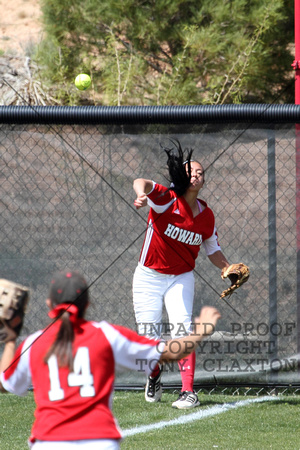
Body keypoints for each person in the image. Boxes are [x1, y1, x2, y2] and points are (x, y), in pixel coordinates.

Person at [0, 269, 221, 449]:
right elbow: (171, 352)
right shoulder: (107, 335)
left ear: (49, 304)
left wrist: (11, 337)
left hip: (48, 442)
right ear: (87, 305)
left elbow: (4, 383)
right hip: (99, 441)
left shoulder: (34, 342)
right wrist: (201, 330)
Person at [133, 138, 231, 409]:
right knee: (148, 337)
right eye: (192, 171)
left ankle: (188, 391)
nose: (197, 175)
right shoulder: (166, 200)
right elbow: (142, 181)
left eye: (201, 172)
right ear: (181, 175)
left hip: (181, 277)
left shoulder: (206, 215)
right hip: (149, 276)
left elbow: (213, 250)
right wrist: (142, 194)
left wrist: (227, 268)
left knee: (182, 330)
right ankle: (154, 375)